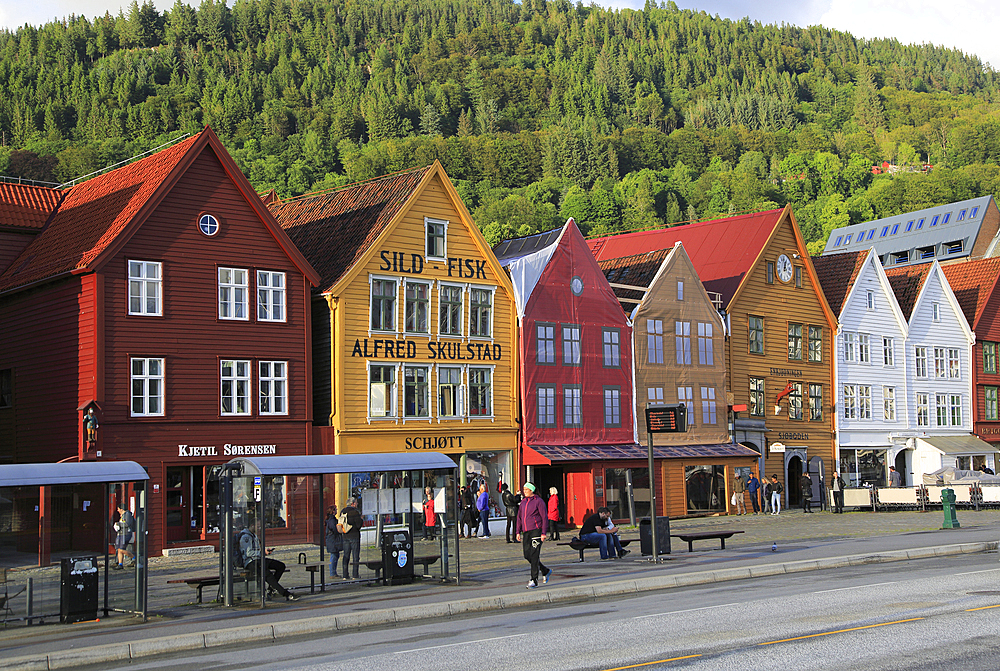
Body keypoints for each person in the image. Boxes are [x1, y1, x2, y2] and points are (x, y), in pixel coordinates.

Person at [237, 524, 297, 601]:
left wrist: (264, 552)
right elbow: (248, 553)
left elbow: (256, 550)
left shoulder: (253, 535)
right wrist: (262, 553)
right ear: (252, 525)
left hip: (258, 559)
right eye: (257, 526)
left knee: (280, 566)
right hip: (251, 562)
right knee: (268, 575)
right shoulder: (246, 537)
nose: (259, 528)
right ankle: (286, 594)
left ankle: (271, 589)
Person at [515, 482, 551, 589]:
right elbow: (519, 518)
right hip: (526, 531)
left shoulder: (538, 501)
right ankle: (545, 570)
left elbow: (544, 517)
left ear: (531, 490)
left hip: (536, 530)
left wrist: (544, 532)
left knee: (535, 555)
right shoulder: (523, 502)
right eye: (524, 489)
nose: (524, 491)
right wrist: (518, 531)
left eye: (526, 489)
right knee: (527, 555)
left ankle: (534, 579)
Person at [339, 497, 363, 580]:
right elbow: (358, 525)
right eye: (356, 502)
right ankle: (355, 574)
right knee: (355, 556)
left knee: (346, 555)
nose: (357, 504)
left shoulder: (343, 511)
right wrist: (361, 519)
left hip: (345, 535)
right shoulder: (355, 512)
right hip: (354, 536)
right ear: (353, 503)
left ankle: (345, 575)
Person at [113, 504, 135, 569]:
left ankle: (134, 558)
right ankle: (120, 564)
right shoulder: (122, 515)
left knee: (122, 549)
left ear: (121, 509)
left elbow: (127, 523)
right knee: (119, 549)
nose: (118, 510)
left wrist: (118, 523)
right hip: (121, 533)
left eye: (118, 509)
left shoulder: (128, 514)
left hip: (126, 534)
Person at [324, 504, 342, 578]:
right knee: (334, 556)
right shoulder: (332, 520)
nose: (337, 510)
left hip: (332, 541)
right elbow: (335, 530)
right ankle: (332, 573)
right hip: (333, 541)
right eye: (336, 509)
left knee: (335, 556)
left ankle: (333, 572)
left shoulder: (330, 519)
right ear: (333, 511)